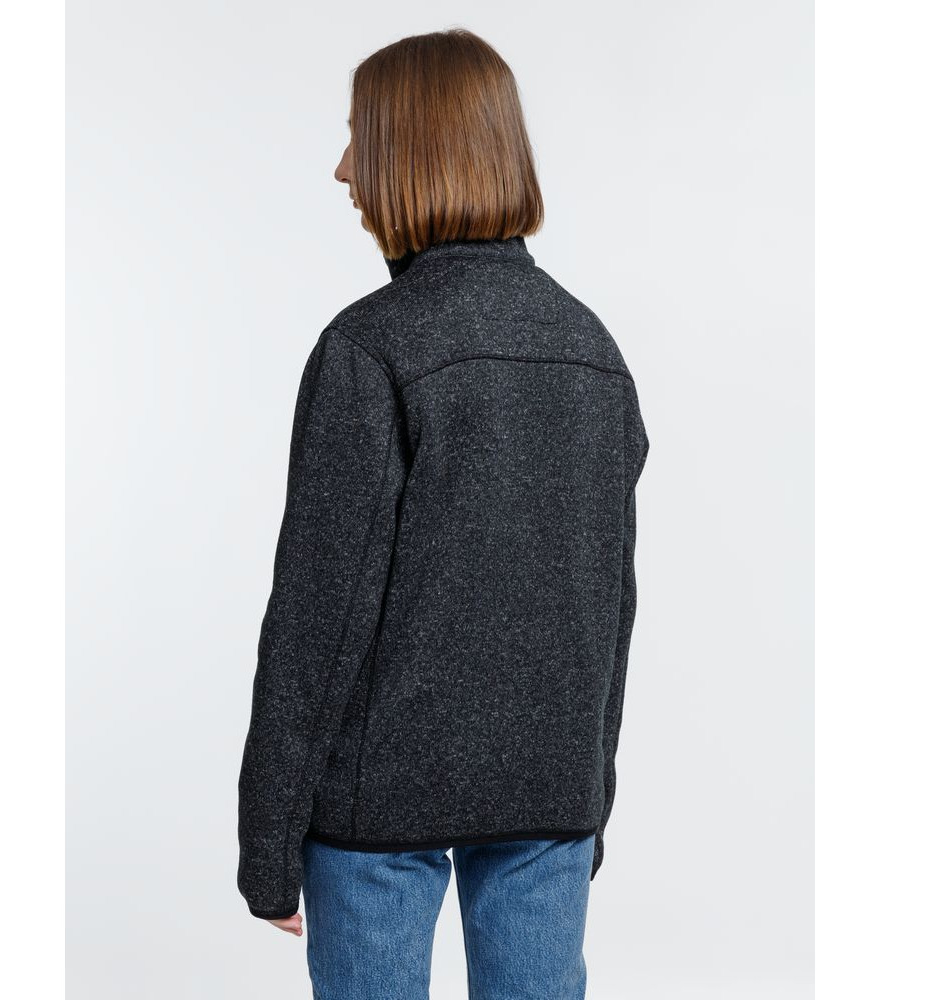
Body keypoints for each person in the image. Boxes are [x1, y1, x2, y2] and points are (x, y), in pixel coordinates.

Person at [237, 27, 650, 1000]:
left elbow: (318, 614)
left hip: (381, 804)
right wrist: (588, 792)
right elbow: (611, 603)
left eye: (359, 137)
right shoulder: (593, 350)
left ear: (410, 150)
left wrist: (268, 843)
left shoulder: (371, 347)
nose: (344, 168)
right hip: (549, 791)